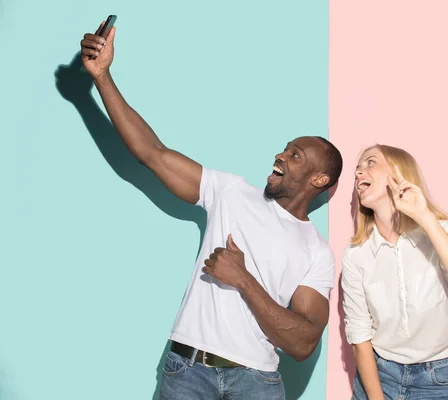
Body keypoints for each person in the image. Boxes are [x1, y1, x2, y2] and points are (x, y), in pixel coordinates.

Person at [79, 21, 343, 400]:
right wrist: (102, 78)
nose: (280, 155)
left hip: (257, 383)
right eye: (284, 148)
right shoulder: (232, 192)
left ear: (319, 180)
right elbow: (153, 153)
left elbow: (303, 343)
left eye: (294, 155)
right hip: (188, 373)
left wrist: (244, 279)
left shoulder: (316, 251)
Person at [342, 144, 448, 400]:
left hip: (438, 379)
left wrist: (423, 216)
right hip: (378, 374)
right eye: (357, 169)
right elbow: (359, 334)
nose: (358, 173)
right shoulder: (356, 254)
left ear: (399, 172)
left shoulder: (440, 229)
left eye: (370, 162)